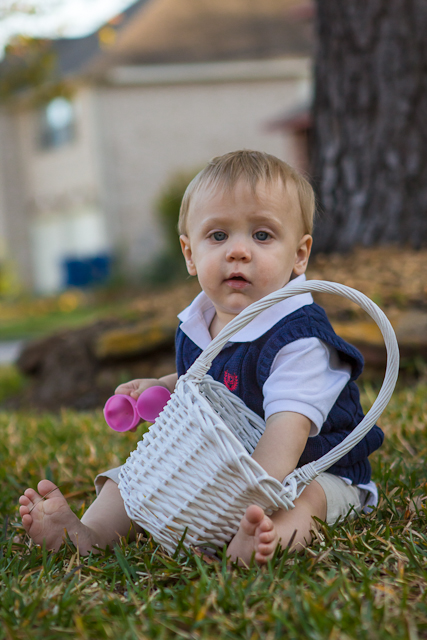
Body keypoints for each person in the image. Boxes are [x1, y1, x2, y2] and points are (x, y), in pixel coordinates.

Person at [18, 150, 383, 565]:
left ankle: (266, 540)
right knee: (133, 480)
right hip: (224, 463)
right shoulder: (200, 320)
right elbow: (209, 380)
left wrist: (236, 501)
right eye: (218, 236)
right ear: (190, 254)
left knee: (308, 501)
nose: (238, 251)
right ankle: (89, 534)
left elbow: (286, 438)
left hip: (306, 468)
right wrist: (164, 386)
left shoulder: (300, 343)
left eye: (262, 235)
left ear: (299, 255)